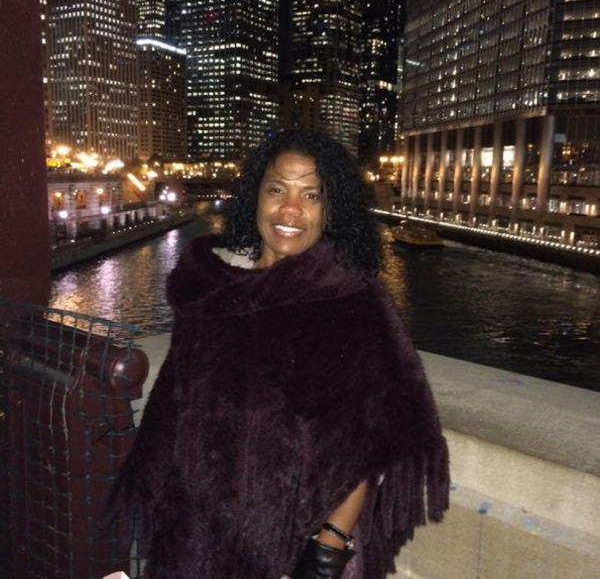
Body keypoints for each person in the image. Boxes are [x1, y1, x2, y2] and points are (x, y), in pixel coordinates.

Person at [109, 130, 450, 579]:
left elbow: (364, 450)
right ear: (256, 196)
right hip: (190, 532)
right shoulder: (210, 288)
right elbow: (176, 405)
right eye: (277, 190)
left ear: (331, 210)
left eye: (311, 195)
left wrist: (324, 558)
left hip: (289, 545)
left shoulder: (349, 303)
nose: (291, 209)